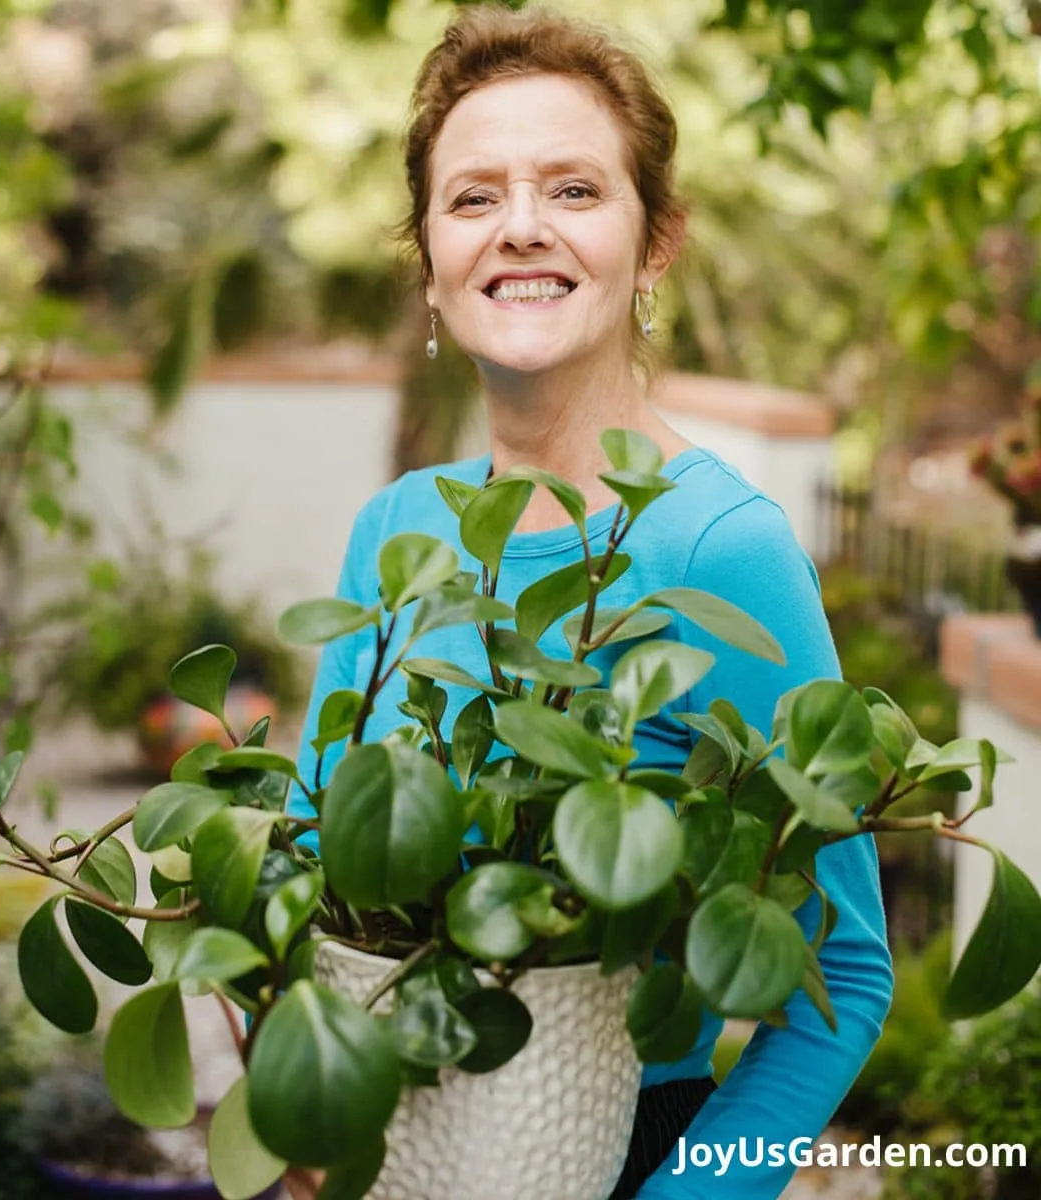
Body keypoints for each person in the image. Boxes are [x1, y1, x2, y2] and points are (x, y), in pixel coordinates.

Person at [285, 5, 893, 1198]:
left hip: (620, 1150)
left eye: (573, 191)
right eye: (472, 199)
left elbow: (847, 982)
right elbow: (314, 874)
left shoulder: (725, 549)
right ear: (428, 258)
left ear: (655, 242)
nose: (519, 228)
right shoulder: (397, 532)